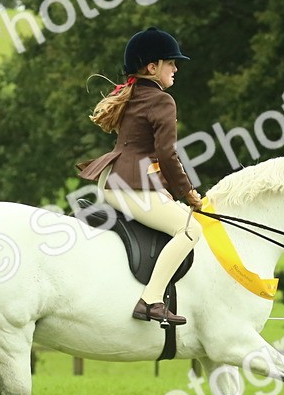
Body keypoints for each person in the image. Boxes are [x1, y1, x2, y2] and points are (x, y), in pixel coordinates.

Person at [76, 27, 203, 326]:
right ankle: (151, 300)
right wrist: (188, 192)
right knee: (190, 230)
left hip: (116, 179)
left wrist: (161, 190)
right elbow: (166, 153)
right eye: (171, 62)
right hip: (130, 184)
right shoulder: (162, 100)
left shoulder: (133, 93)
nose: (176, 67)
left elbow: (144, 153)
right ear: (152, 67)